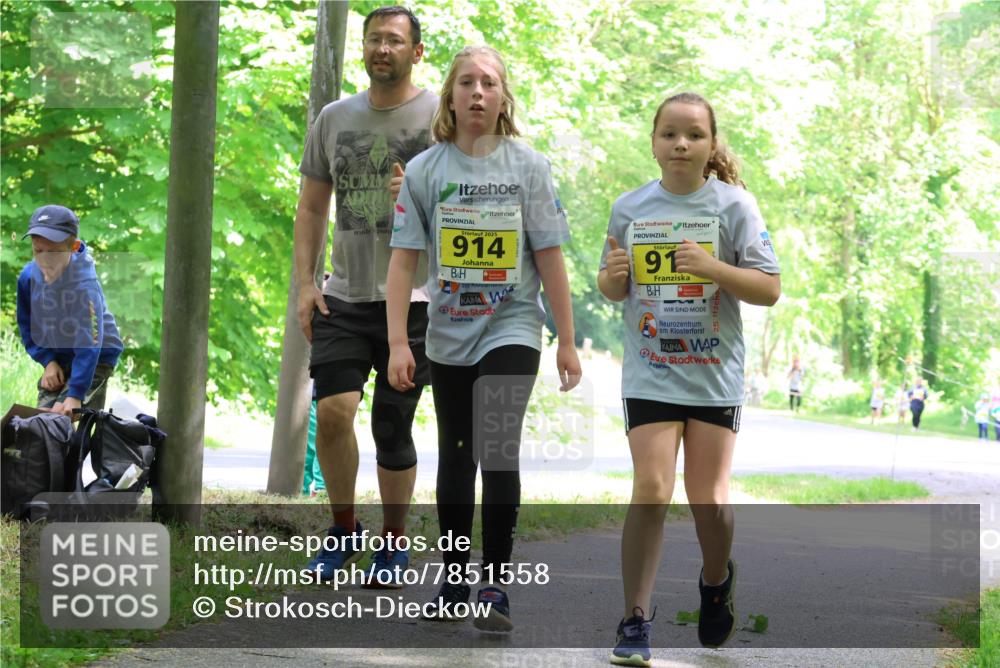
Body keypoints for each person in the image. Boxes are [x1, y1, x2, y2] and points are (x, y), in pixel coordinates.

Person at [386, 45, 581, 633]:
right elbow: (402, 265)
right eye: (466, 82)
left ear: (503, 98)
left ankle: (495, 585)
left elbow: (549, 260)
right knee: (458, 452)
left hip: (514, 324)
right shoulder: (424, 172)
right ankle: (453, 580)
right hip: (448, 330)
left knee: (496, 446)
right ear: (449, 96)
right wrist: (399, 342)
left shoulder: (528, 167)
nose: (477, 92)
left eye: (488, 83)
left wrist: (566, 339)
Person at [598, 92, 780, 665]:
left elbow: (769, 288)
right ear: (653, 143)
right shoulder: (630, 208)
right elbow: (614, 290)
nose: (681, 143)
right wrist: (611, 276)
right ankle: (633, 621)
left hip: (712, 375)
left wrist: (713, 268)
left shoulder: (734, 207)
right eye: (670, 134)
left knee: (709, 500)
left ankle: (714, 577)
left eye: (694, 135)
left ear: (710, 145)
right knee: (651, 488)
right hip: (650, 371)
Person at [294, 5, 438, 588]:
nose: (384, 49)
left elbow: (476, 200)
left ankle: (394, 542)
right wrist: (305, 284)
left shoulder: (441, 115)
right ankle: (343, 530)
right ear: (364, 48)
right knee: (333, 413)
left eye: (395, 41)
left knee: (391, 426)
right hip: (344, 296)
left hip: (418, 299)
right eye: (375, 39)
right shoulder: (333, 118)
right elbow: (310, 206)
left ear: (416, 52)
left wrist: (425, 191)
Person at [16, 204, 123, 417]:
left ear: (73, 247)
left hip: (97, 353)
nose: (44, 259)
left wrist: (75, 393)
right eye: (38, 250)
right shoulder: (28, 278)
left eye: (53, 252)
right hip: (60, 355)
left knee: (65, 412)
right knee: (43, 415)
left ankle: (79, 436)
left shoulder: (84, 287)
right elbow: (27, 326)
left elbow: (90, 342)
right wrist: (48, 361)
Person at [301, 383, 326, 495]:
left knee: (325, 445)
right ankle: (314, 489)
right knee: (312, 448)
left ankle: (320, 489)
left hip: (331, 395)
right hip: (312, 397)